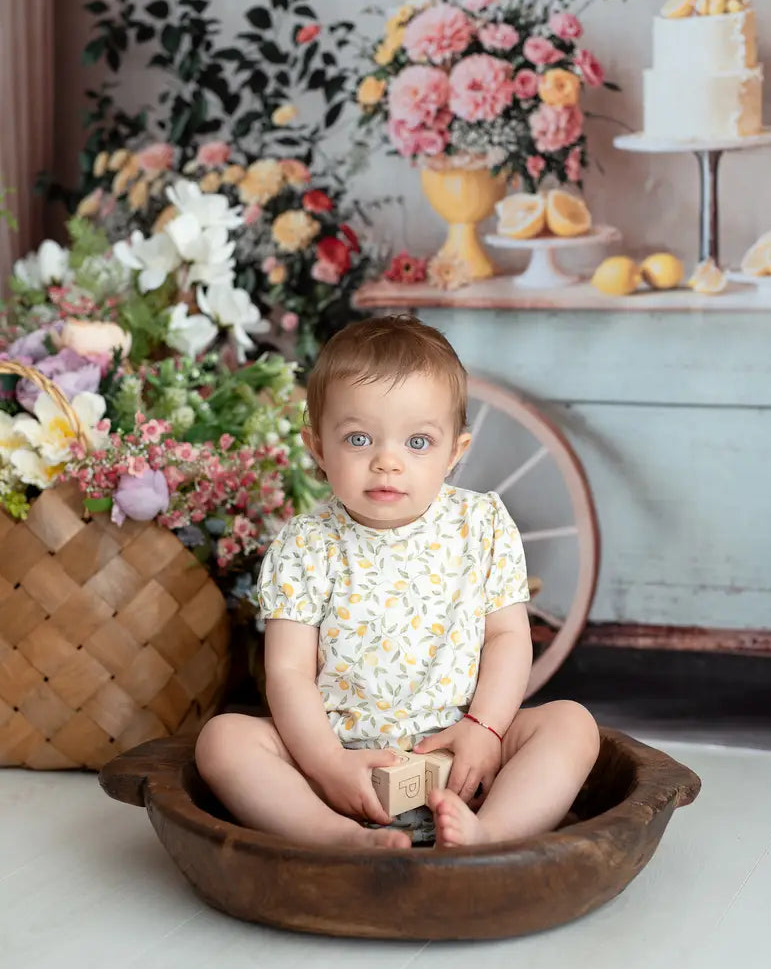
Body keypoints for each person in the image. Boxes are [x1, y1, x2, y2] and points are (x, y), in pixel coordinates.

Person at [195, 315, 599, 849]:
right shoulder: (306, 544)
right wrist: (326, 764)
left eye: (418, 442)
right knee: (222, 740)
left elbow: (507, 637)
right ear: (317, 449)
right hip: (339, 758)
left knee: (572, 724)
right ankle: (334, 836)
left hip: (461, 755)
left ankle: (490, 833)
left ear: (455, 453)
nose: (387, 462)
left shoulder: (481, 525)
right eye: (359, 438)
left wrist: (487, 727)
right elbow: (288, 671)